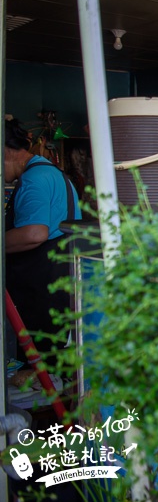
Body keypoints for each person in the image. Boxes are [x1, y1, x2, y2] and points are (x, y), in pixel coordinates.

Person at [4, 118, 81, 354]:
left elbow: (35, 233)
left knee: (41, 358)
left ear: (6, 151)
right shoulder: (53, 173)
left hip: (42, 283)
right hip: (60, 277)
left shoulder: (33, 180)